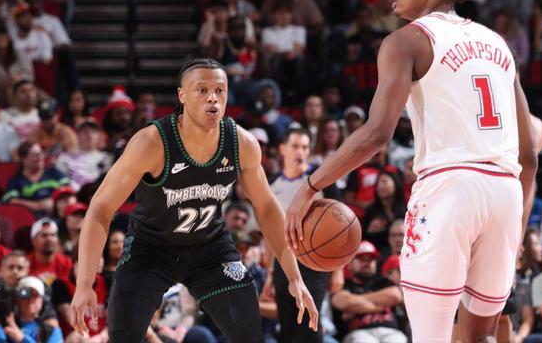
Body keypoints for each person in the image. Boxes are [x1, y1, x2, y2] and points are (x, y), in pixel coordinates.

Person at [286, 0, 538, 343]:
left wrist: (310, 186)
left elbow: (376, 133)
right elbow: (529, 156)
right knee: (479, 338)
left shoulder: (406, 41)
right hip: (506, 192)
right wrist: (519, 230)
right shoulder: (497, 44)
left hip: (449, 188)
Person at [69, 58, 318, 342]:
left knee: (248, 333)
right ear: (182, 95)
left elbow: (267, 207)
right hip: (150, 251)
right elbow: (100, 208)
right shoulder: (151, 142)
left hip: (210, 250)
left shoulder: (241, 143)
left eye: (220, 90)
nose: (213, 97)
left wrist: (294, 277)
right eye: (202, 90)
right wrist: (85, 283)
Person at [268, 127, 341, 343]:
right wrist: (270, 272)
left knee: (310, 320)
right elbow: (269, 232)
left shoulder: (321, 179)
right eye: (295, 146)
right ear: (282, 149)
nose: (300, 152)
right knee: (287, 325)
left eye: (305, 147)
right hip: (283, 258)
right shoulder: (272, 184)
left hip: (315, 259)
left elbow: (341, 225)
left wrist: (338, 270)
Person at [331, 241, 407, 343]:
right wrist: (380, 305)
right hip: (359, 333)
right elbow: (341, 302)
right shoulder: (345, 285)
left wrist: (356, 304)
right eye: (362, 259)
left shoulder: (383, 282)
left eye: (371, 259)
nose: (367, 263)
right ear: (349, 264)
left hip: (391, 332)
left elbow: (395, 296)